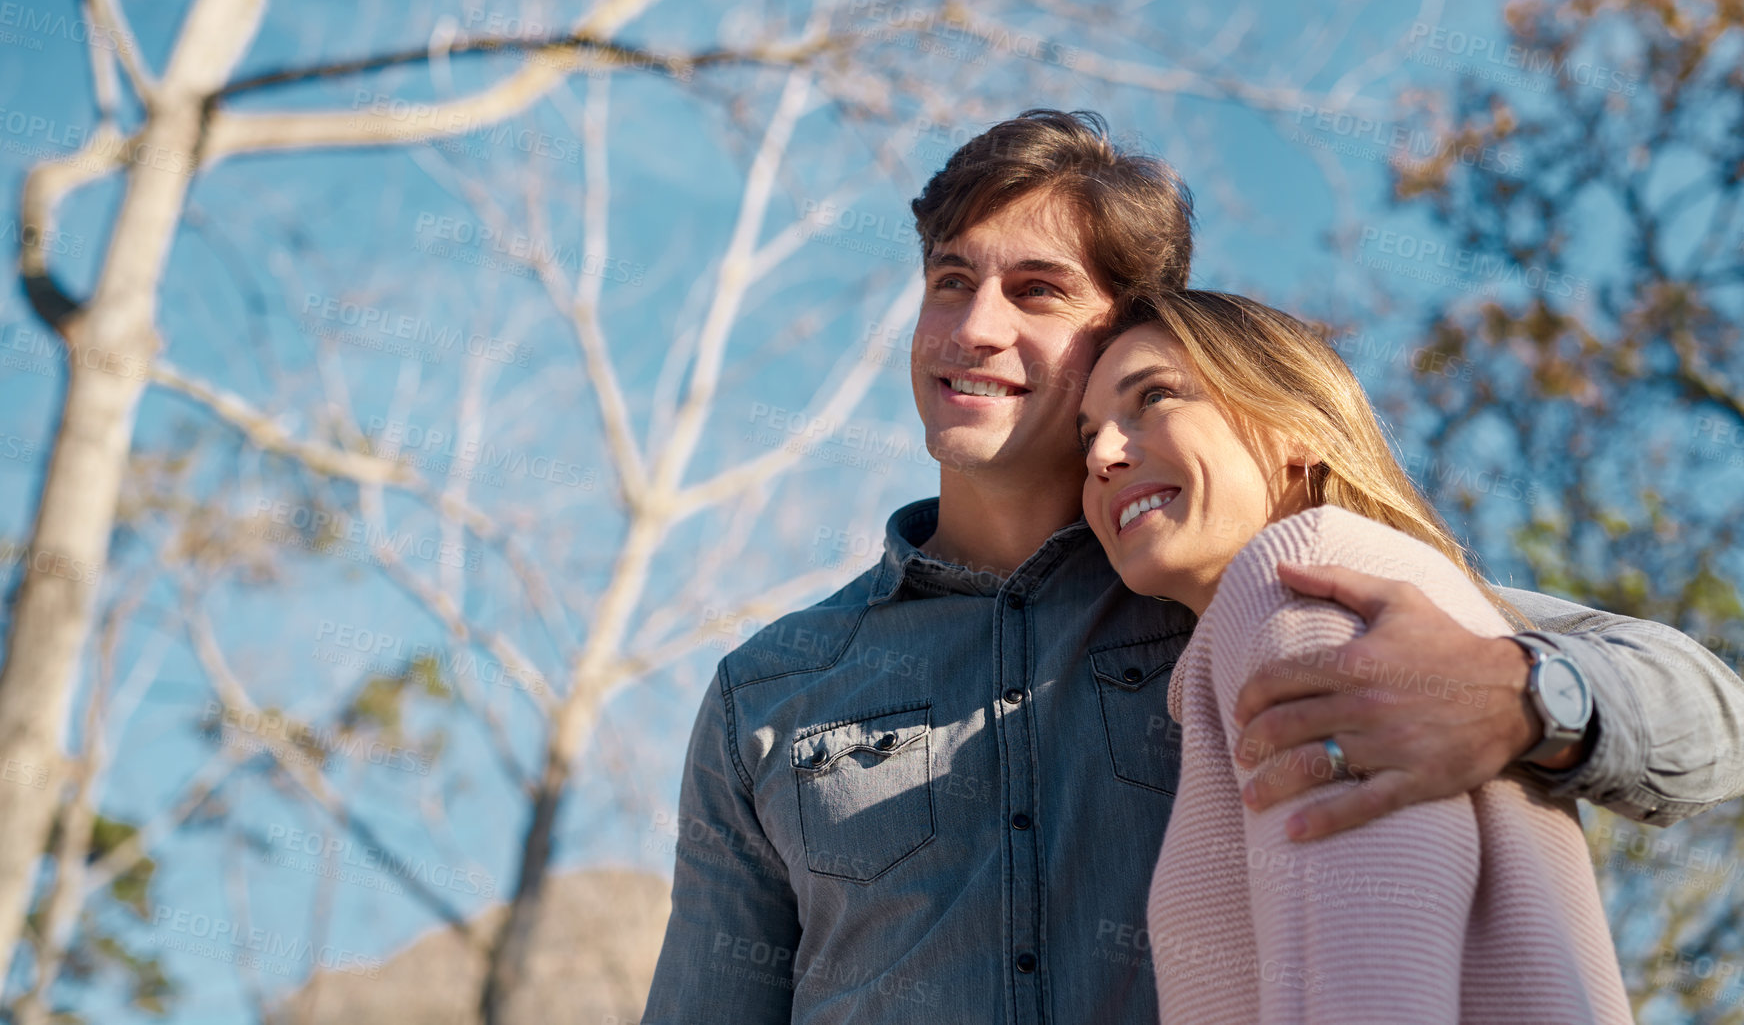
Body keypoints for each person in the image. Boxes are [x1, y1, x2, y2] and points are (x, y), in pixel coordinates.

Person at [642, 110, 1744, 1025]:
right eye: (948, 279)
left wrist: (1522, 696)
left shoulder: (1257, 584)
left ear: (1121, 338)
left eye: (1036, 291)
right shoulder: (772, 686)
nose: (971, 328)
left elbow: (1713, 716)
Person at [1078, 288, 1632, 1023]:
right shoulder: (1381, 592)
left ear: (1297, 426)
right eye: (1084, 438)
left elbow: (1364, 984)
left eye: (1153, 397)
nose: (1104, 456)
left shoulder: (1302, 585)